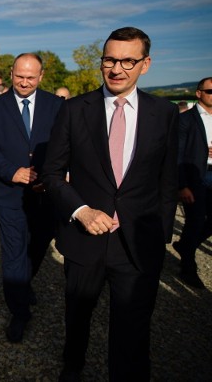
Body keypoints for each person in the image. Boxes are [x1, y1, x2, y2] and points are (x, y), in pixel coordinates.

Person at [41, 27, 179, 381]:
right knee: (78, 317)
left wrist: (160, 236)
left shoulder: (164, 112)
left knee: (132, 333)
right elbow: (52, 174)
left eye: (128, 61)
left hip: (138, 245)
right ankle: (72, 366)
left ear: (145, 64)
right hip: (85, 241)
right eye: (109, 60)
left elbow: (167, 180)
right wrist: (81, 211)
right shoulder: (74, 110)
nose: (117, 68)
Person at [0, 53, 63, 343]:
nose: (24, 82)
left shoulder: (56, 105)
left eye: (30, 77)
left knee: (38, 246)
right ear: (12, 73)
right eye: (19, 76)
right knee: (14, 252)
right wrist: (11, 171)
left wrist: (48, 177)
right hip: (8, 193)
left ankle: (25, 283)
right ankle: (19, 312)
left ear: (41, 77)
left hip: (45, 193)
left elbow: (66, 146)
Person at [172, 77, 212, 289]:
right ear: (199, 94)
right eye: (210, 91)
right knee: (195, 220)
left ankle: (186, 245)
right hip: (195, 177)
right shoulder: (186, 120)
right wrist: (182, 185)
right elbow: (177, 154)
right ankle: (188, 268)